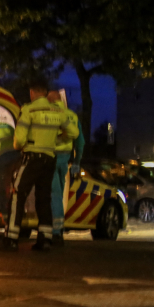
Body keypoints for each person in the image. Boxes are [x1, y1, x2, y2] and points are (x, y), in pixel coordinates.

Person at [0, 81, 79, 252]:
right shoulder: (58, 112)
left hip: (32, 158)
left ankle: (11, 238)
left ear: (33, 93)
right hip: (49, 159)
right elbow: (74, 133)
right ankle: (45, 240)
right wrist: (55, 139)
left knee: (17, 194)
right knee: (44, 199)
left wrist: (20, 146)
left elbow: (18, 141)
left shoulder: (29, 110)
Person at [48, 90, 86, 246]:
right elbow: (80, 142)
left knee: (54, 195)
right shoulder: (72, 115)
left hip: (50, 158)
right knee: (60, 196)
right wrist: (76, 162)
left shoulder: (48, 113)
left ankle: (56, 233)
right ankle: (58, 229)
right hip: (65, 160)